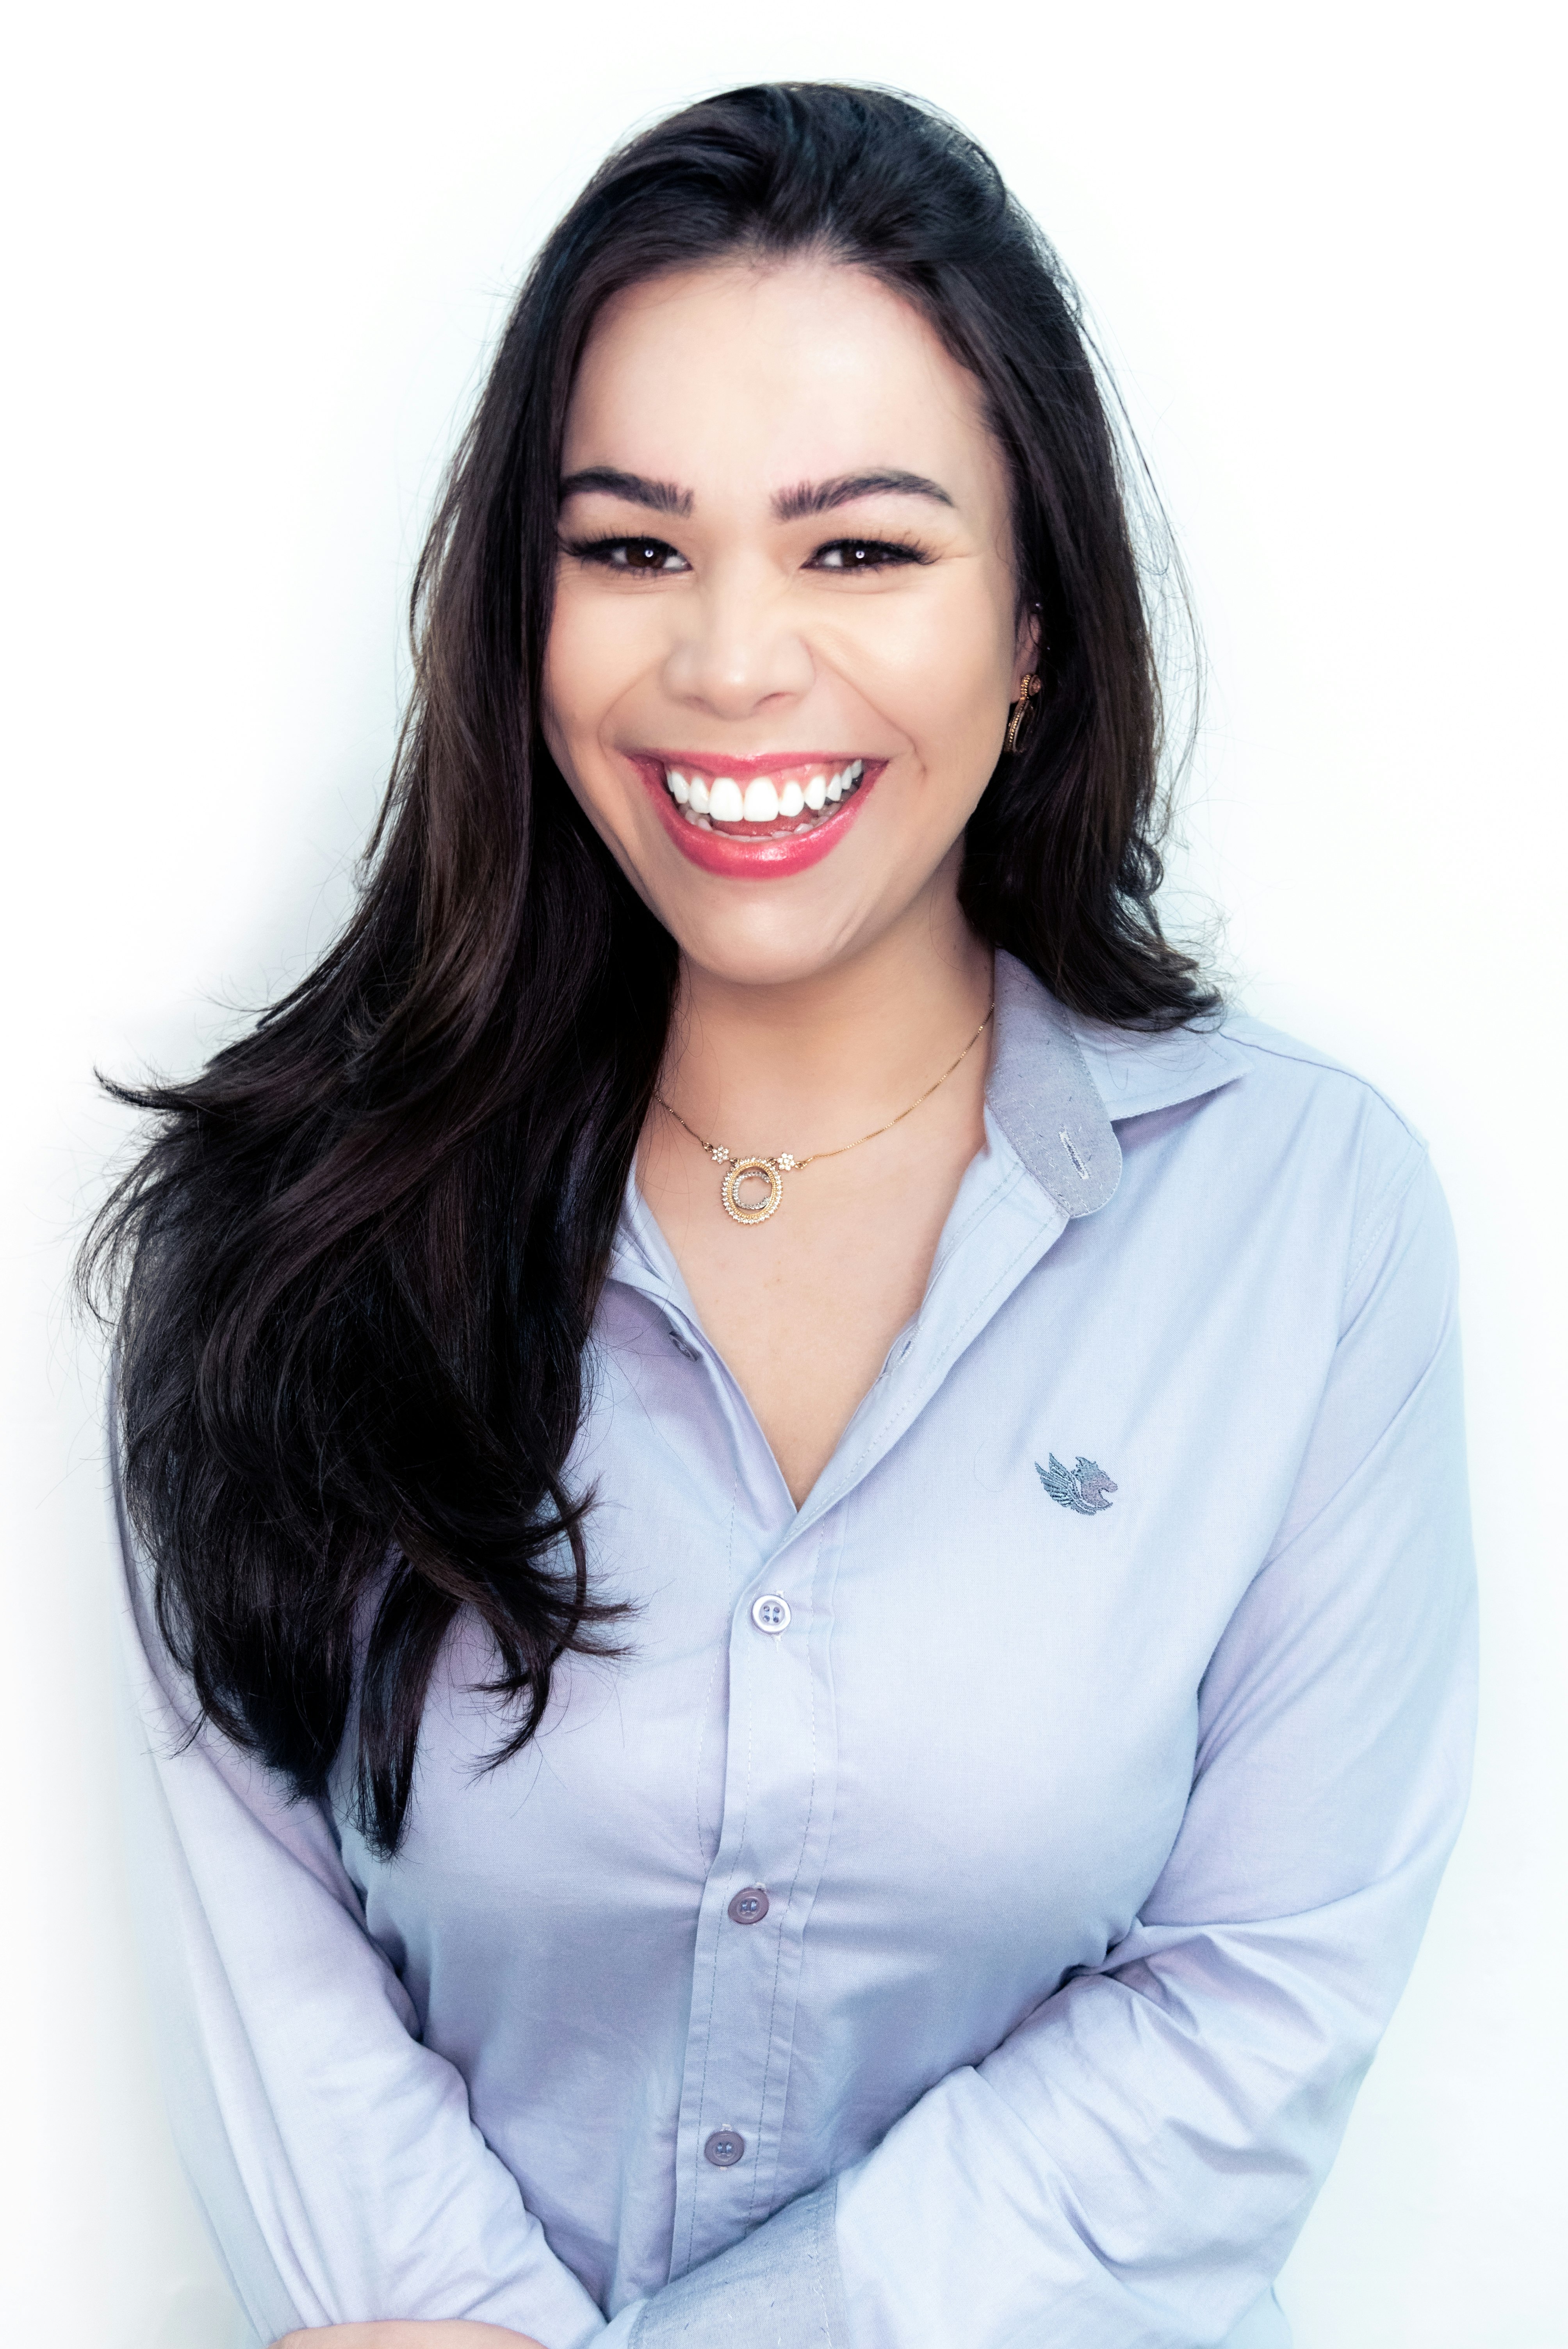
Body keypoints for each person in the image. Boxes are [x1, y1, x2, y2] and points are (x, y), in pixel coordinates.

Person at [89, 82, 1475, 2349]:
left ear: (1034, 627)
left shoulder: (1302, 1230)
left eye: (861, 551)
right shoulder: (271, 1243)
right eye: (632, 548)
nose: (733, 663)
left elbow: (1246, 2026)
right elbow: (282, 2009)